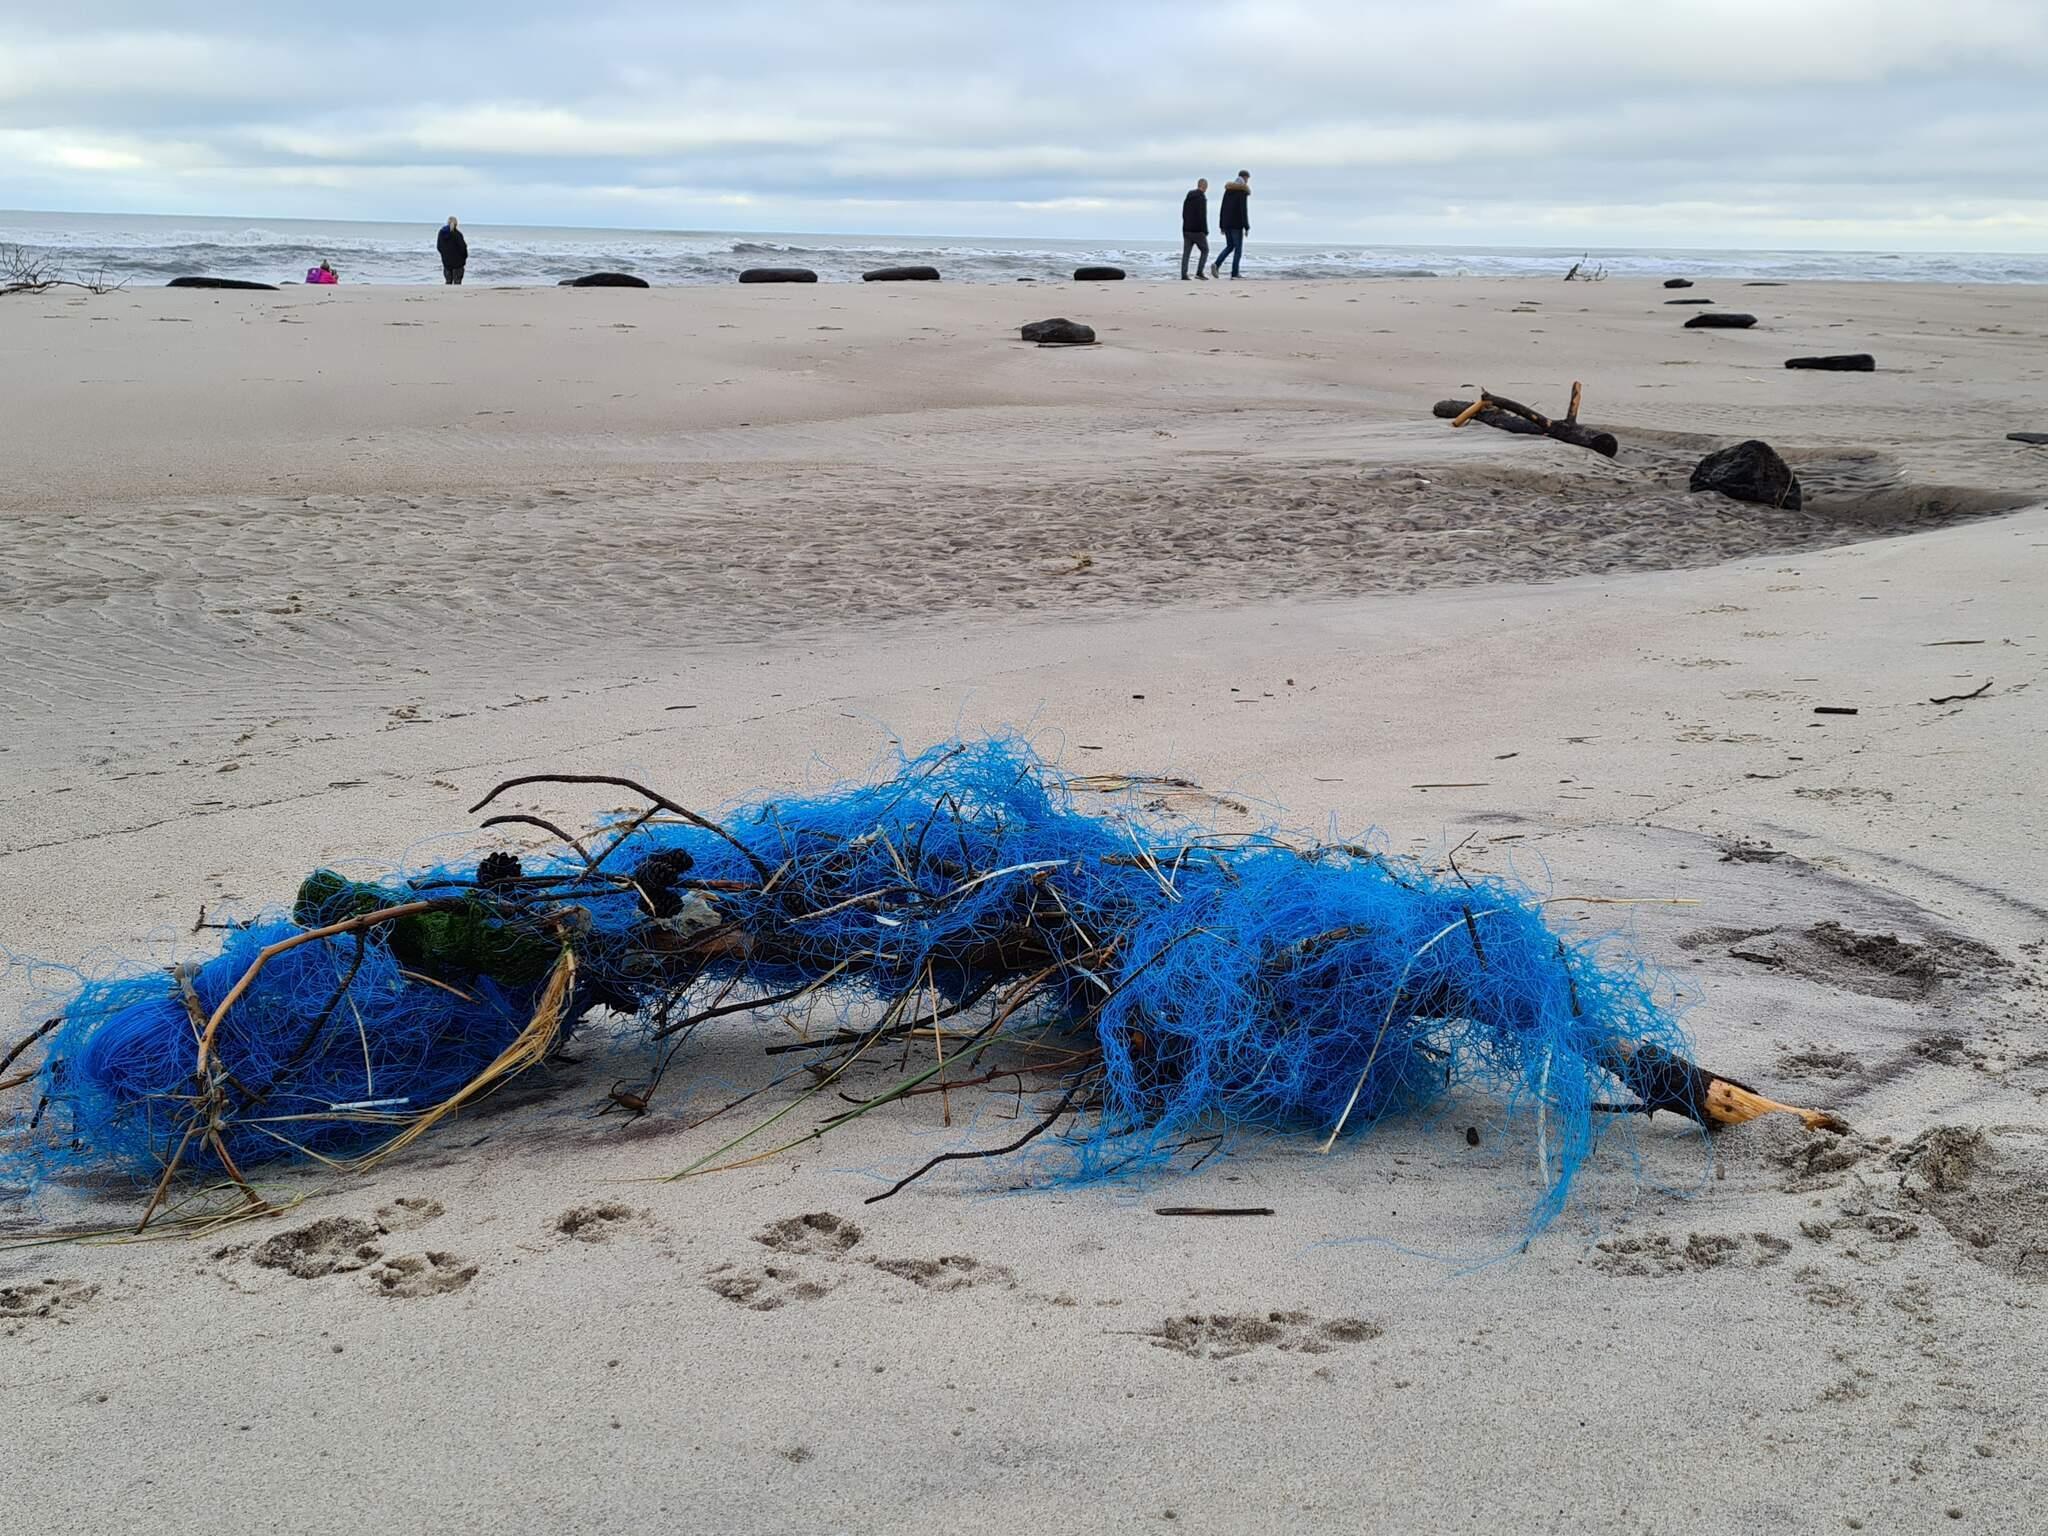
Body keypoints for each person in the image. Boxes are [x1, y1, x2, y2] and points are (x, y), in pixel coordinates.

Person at [1211, 171, 1250, 279]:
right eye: (1247, 178)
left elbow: (1223, 208)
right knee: (1238, 249)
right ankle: (1234, 273)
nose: (1247, 181)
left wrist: (1222, 225)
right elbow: (1243, 210)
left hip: (1227, 224)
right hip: (1237, 224)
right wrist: (1246, 226)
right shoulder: (1242, 191)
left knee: (1230, 246)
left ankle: (1217, 264)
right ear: (1245, 177)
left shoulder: (1228, 191)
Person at [1180, 178, 1210, 280]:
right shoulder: (1201, 198)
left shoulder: (1189, 196)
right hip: (1198, 230)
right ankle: (1199, 272)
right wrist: (1205, 230)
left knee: (1186, 253)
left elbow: (1184, 213)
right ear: (1204, 186)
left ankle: (1184, 274)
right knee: (1205, 250)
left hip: (1187, 229)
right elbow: (1202, 216)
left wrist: (1185, 224)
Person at [437, 216, 468, 285]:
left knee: (448, 282)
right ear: (456, 224)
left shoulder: (441, 234)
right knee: (457, 282)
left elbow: (439, 247)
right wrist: (464, 258)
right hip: (458, 263)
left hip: (446, 263)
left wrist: (444, 255)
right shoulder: (458, 234)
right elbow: (463, 248)